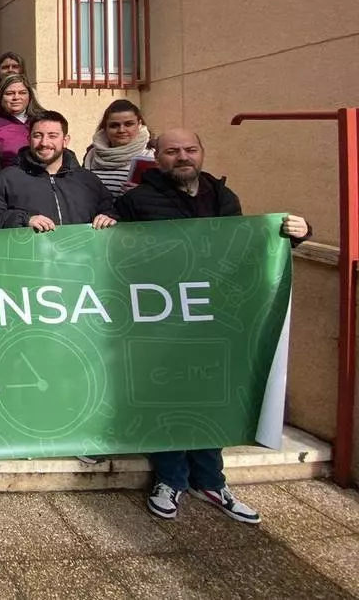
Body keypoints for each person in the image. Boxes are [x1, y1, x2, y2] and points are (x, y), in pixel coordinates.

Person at [115, 128, 312, 525]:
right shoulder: (136, 201)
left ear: (202, 153)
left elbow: (246, 245)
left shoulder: (223, 196)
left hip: (213, 315)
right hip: (160, 318)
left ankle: (210, 480)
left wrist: (295, 235)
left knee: (209, 394)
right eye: (172, 151)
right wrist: (106, 222)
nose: (182, 157)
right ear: (157, 156)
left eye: (190, 149)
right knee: (167, 397)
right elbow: (112, 251)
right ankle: (170, 479)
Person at [0, 111, 117, 232]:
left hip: (80, 255)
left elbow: (111, 210)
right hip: (29, 255)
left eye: (52, 136)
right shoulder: (7, 179)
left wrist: (107, 217)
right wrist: (23, 220)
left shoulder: (87, 180)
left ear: (65, 140)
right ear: (28, 139)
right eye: (37, 135)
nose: (44, 143)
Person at [83, 99, 155, 196]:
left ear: (139, 124)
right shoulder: (91, 156)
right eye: (114, 125)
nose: (121, 130)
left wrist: (145, 193)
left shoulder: (151, 156)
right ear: (105, 128)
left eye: (128, 124)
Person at [0, 74, 45, 170]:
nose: (16, 97)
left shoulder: (44, 120)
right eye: (9, 93)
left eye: (22, 93)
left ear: (30, 96)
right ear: (0, 97)